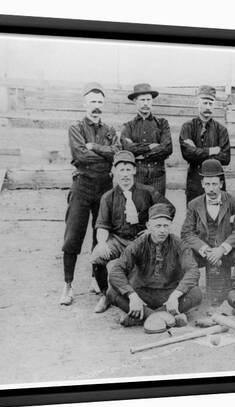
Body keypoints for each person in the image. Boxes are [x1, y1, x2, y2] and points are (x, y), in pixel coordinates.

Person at [90, 150, 174, 313]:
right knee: (97, 255)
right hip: (119, 240)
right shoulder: (108, 197)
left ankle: (150, 298)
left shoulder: (147, 192)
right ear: (114, 171)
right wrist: (101, 243)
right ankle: (105, 294)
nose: (125, 174)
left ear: (135, 171)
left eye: (129, 169)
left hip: (143, 240)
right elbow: (102, 225)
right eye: (121, 169)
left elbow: (169, 208)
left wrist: (151, 229)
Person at [60, 82, 120, 306]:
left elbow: (117, 154)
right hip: (82, 184)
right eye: (92, 102)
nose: (96, 106)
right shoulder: (75, 128)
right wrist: (102, 154)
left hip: (105, 185)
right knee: (73, 234)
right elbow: (80, 156)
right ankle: (68, 285)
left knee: (100, 235)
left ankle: (96, 278)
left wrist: (94, 147)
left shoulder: (110, 131)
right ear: (84, 104)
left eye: (99, 102)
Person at [108, 203, 203, 327]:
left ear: (170, 226)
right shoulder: (139, 243)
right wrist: (132, 296)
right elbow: (116, 271)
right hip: (142, 293)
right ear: (148, 226)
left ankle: (141, 318)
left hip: (169, 294)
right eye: (158, 226)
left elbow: (193, 270)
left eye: (166, 226)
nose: (162, 230)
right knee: (112, 292)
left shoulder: (179, 244)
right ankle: (166, 318)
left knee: (196, 293)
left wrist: (176, 295)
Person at [181, 159, 235, 302]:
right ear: (202, 184)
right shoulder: (194, 204)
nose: (211, 189)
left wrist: (222, 249)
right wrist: (205, 249)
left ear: (221, 184)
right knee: (184, 252)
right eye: (207, 184)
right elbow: (187, 232)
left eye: (215, 184)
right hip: (203, 253)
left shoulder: (233, 201)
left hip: (226, 251)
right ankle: (192, 294)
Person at [180, 85, 231, 204]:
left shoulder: (221, 130)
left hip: (216, 180)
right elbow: (187, 154)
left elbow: (225, 158)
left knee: (216, 216)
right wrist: (211, 151)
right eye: (205, 103)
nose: (208, 107)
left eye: (211, 103)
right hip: (195, 180)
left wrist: (197, 151)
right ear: (198, 103)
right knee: (194, 216)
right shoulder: (188, 127)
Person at [121, 83, 173, 195]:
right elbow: (127, 149)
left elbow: (167, 148)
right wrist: (150, 146)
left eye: (148, 100)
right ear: (135, 101)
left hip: (158, 175)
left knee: (158, 208)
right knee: (139, 209)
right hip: (137, 175)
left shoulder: (162, 123)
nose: (146, 103)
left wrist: (142, 154)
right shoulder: (128, 126)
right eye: (142, 100)